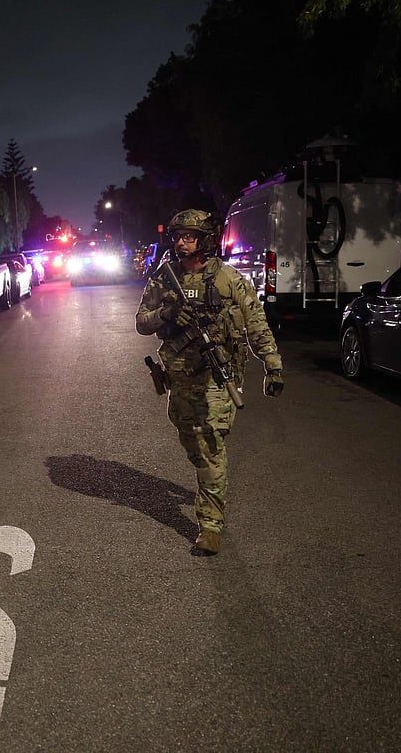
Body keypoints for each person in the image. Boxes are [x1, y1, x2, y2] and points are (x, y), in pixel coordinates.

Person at [135, 209, 284, 555]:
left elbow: (256, 323)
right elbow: (142, 322)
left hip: (217, 379)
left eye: (188, 236)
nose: (181, 242)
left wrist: (272, 365)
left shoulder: (228, 279)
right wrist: (166, 314)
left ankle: (210, 525)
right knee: (195, 448)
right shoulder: (163, 278)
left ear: (205, 240)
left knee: (210, 445)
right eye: (177, 237)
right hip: (180, 379)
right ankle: (208, 487)